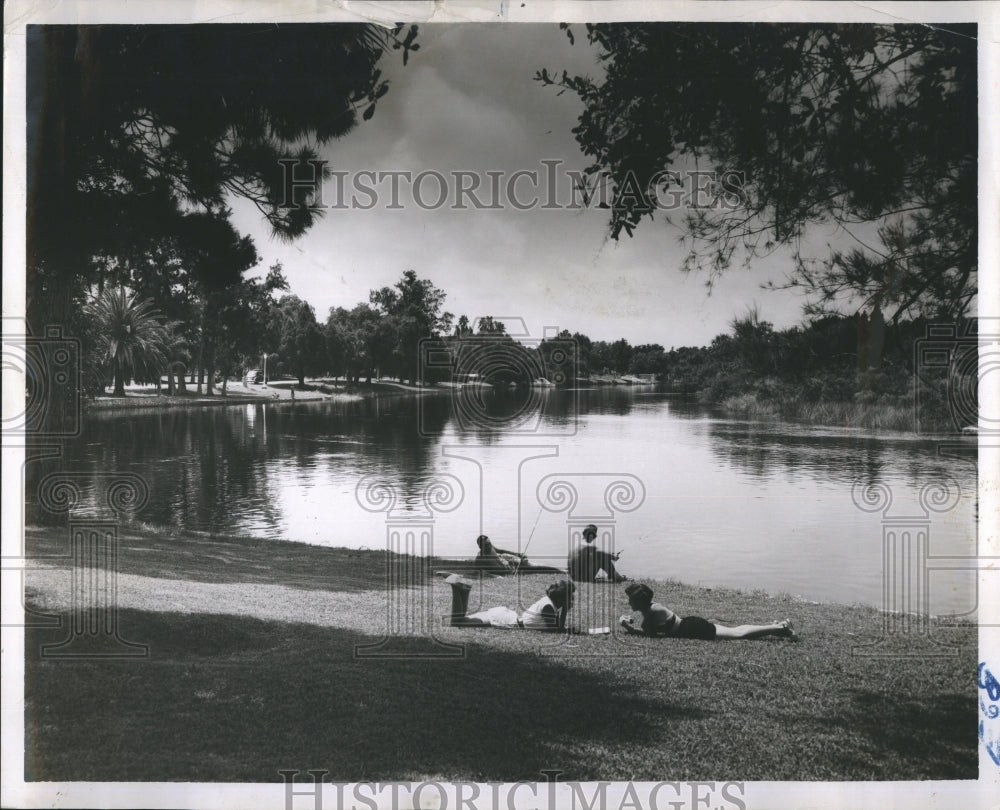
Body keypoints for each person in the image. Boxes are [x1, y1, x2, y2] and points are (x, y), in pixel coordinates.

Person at [619, 583, 797, 641]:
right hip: (691, 624)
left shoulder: (652, 612)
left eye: (631, 600)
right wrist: (630, 626)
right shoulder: (651, 609)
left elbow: (650, 635)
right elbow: (651, 632)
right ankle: (773, 627)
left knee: (738, 633)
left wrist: (628, 627)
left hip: (694, 628)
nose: (629, 602)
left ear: (639, 601)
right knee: (737, 630)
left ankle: (780, 628)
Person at [445, 575, 575, 631]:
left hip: (508, 616)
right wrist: (565, 611)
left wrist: (563, 610)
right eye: (570, 596)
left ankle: (464, 591)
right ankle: (457, 589)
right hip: (508, 620)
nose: (572, 598)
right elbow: (557, 630)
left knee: (463, 620)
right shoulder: (548, 607)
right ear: (561, 598)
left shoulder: (548, 602)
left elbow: (557, 627)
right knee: (458, 622)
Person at [474, 535, 565, 576]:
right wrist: (497, 577)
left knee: (528, 563)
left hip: (508, 561)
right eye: (487, 545)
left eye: (489, 543)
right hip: (509, 570)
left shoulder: (491, 547)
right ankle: (559, 571)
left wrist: (517, 554)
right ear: (480, 546)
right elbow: (480, 572)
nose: (489, 545)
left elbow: (501, 551)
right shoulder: (480, 558)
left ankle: (559, 570)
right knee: (533, 568)